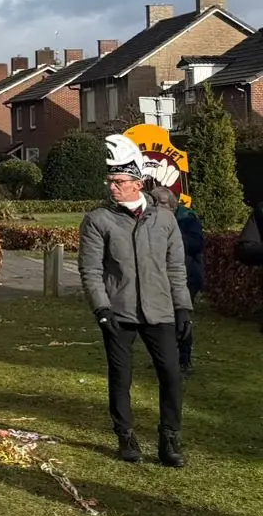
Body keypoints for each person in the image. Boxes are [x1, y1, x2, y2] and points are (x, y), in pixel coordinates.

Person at [79, 136, 190, 466]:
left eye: (119, 181)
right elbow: (90, 270)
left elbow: (175, 267)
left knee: (171, 374)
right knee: (120, 376)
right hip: (119, 311)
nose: (112, 187)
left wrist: (183, 307)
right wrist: (101, 308)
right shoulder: (98, 220)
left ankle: (169, 439)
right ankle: (125, 436)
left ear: (138, 184)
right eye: (110, 181)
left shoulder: (164, 219)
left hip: (160, 310)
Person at [145, 164, 205, 372]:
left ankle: (184, 359)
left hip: (187, 276)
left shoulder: (187, 218)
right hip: (159, 277)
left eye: (162, 202)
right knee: (160, 319)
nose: (158, 206)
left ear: (172, 203)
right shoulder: (150, 220)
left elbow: (198, 243)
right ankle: (164, 357)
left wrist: (172, 240)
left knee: (181, 317)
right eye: (154, 202)